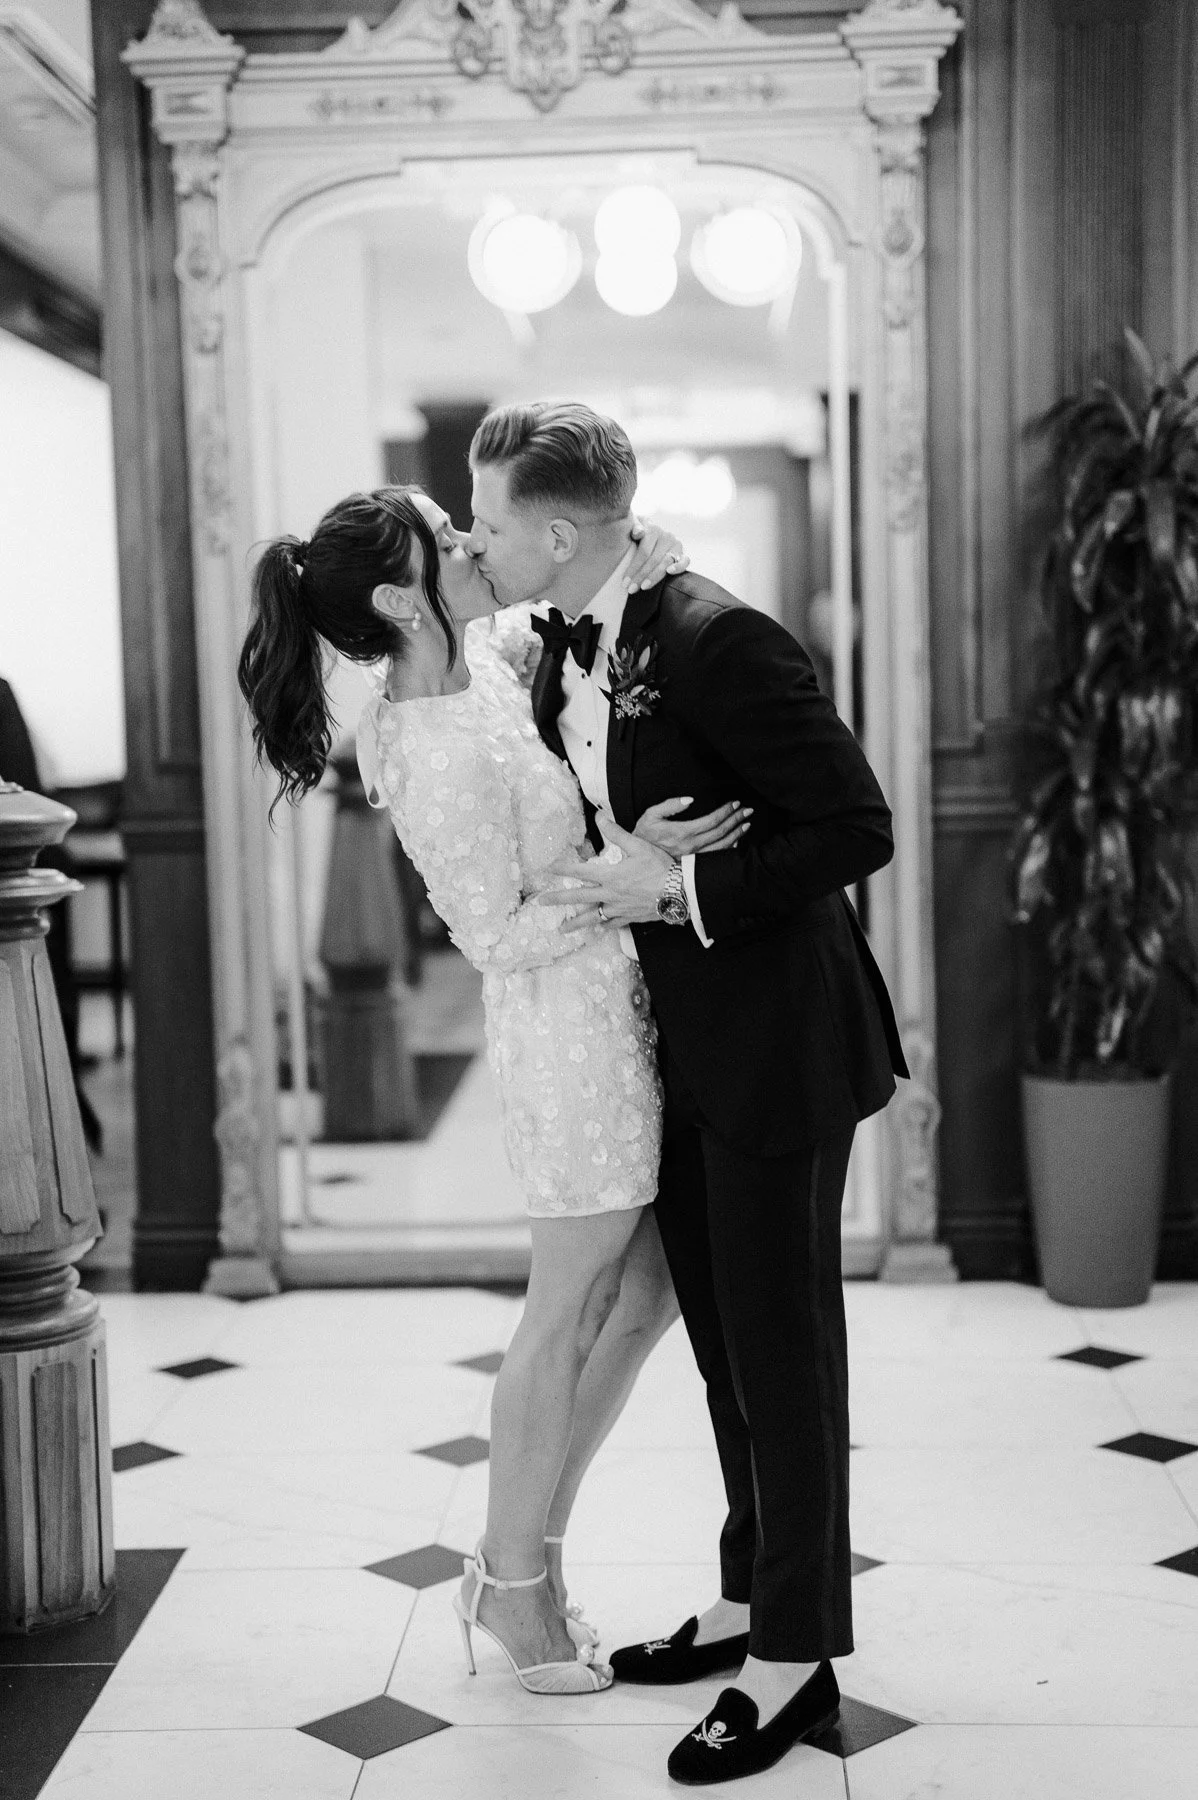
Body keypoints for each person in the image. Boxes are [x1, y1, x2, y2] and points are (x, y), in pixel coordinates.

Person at [237, 486, 748, 1695]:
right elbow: (492, 934)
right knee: (565, 1305)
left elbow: (589, 594)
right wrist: (636, 867)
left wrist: (631, 544)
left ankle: (530, 1552)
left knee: (650, 1288)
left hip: (627, 1011)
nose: (471, 544)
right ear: (399, 598)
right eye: (446, 537)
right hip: (566, 1041)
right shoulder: (418, 740)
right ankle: (514, 1585)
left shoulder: (489, 653)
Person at [468, 401, 908, 1785]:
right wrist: (628, 846)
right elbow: (610, 791)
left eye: (488, 523)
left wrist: (684, 885)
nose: (479, 545)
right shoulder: (571, 642)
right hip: (684, 1043)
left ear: (557, 530)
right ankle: (742, 1600)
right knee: (725, 1346)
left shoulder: (717, 637)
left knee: (784, 1356)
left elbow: (855, 824)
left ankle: (792, 1657)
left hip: (779, 1044)